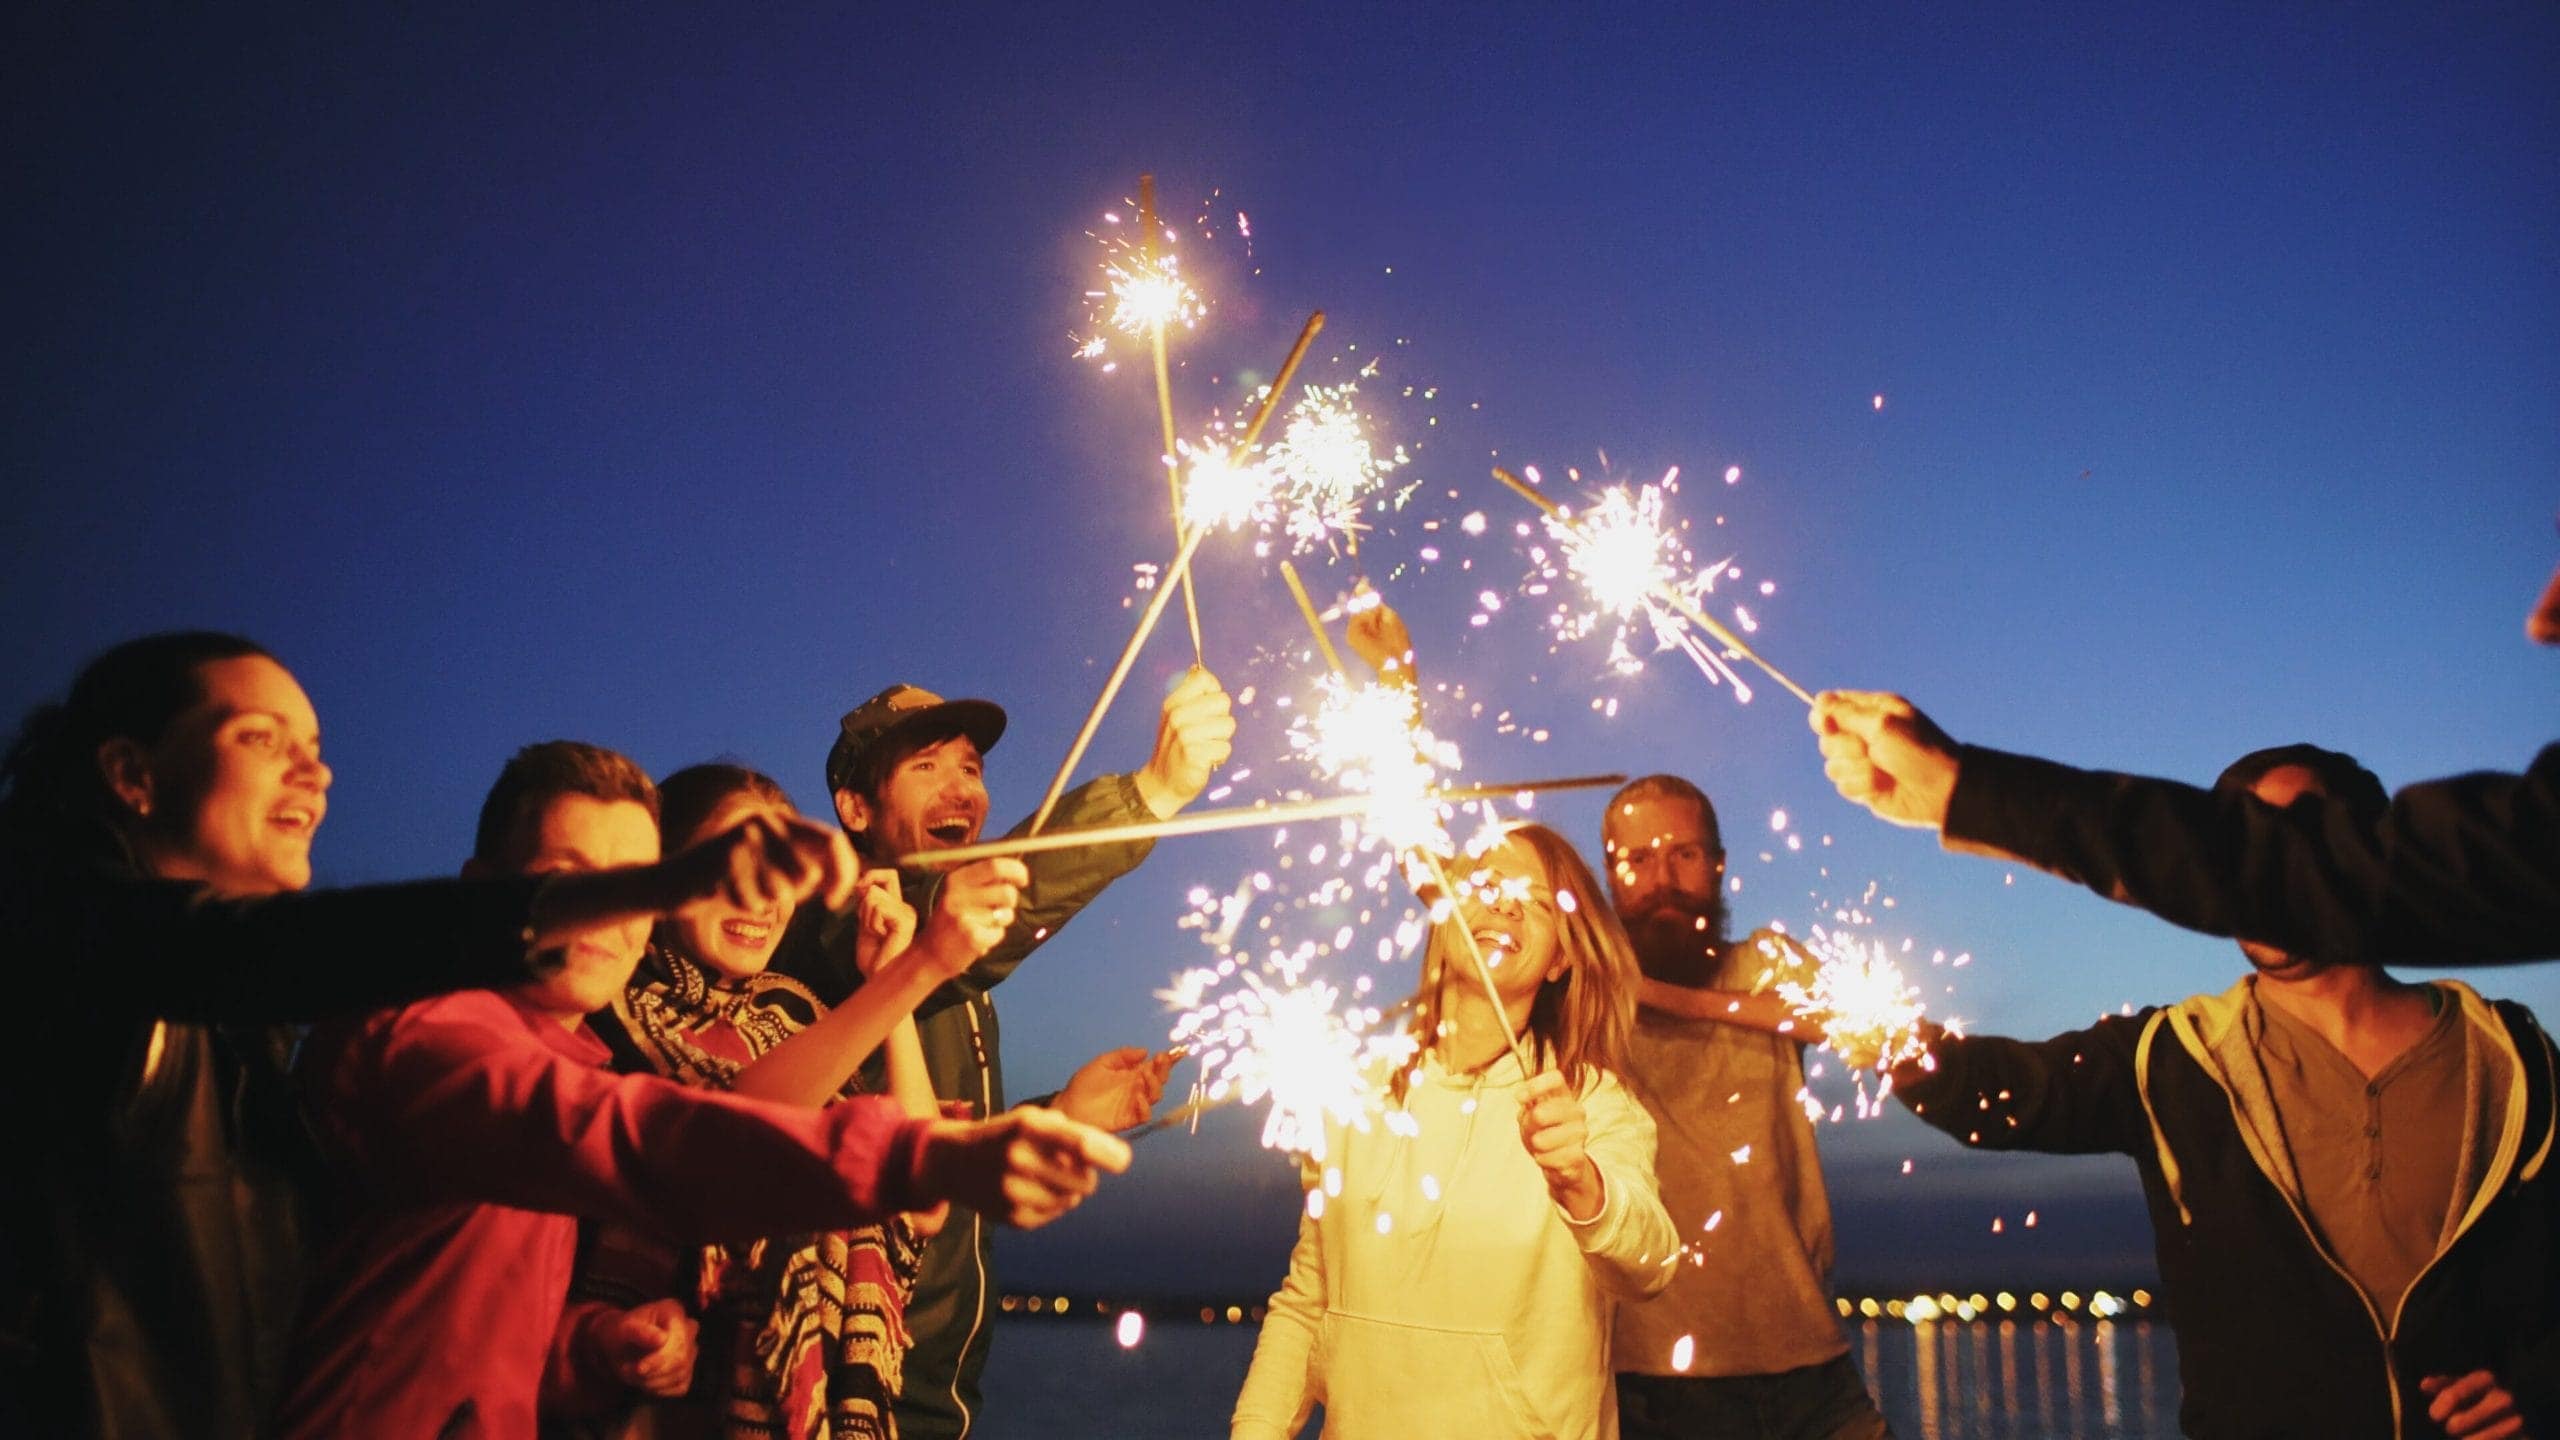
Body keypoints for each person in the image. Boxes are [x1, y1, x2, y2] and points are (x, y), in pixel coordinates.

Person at [0, 633, 820, 1440]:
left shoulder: (226, 1039)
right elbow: (262, 949)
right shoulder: (76, 942)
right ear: (131, 774)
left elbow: (385, 1327)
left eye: (317, 747)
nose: (315, 772)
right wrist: (905, 1152)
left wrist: (593, 1349)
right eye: (259, 738)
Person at [276, 742, 1128, 1440]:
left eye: (633, 882)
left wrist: (597, 1348)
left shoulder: (578, 1049)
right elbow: (662, 1145)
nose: (611, 915)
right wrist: (920, 1129)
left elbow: (499, 1328)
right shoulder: (432, 1039)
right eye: (579, 881)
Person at [1866, 745, 2559, 1440]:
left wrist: (2541, 1387)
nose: (2264, 863)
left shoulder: (2516, 1056)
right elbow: (1991, 1094)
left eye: (2296, 834)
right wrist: (1873, 1028)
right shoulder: (2170, 1058)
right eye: (2244, 838)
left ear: (2361, 847)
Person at [784, 674, 1231, 1440]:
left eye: (971, 768)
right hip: (850, 1383)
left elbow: (938, 1148)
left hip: (944, 1392)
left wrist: (1057, 1113)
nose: (960, 788)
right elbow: (962, 928)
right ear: (856, 810)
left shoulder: (950, 950)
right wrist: (1150, 792)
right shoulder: (838, 928)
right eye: (925, 767)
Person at [1808, 557, 2560, 964]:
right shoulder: (2185, 1054)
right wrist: (1961, 790)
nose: (2543, 613)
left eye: (2300, 831)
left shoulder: (2507, 1059)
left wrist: (1967, 789)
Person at [569, 763, 1016, 1438]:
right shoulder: (612, 1012)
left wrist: (893, 979)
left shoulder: (787, 1017)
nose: (762, 898)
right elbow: (733, 1128)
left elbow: (922, 1201)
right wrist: (927, 963)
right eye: (733, 864)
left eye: (781, 872)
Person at [1231, 824, 1678, 1440]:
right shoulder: (1354, 1094)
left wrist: (1584, 1185)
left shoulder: (1589, 1103)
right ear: (1445, 910)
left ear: (1561, 960)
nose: (1505, 904)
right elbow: (1309, 1300)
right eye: (1488, 884)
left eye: (1539, 903)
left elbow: (1652, 1264)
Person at [1597, 776, 1889, 1440]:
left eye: (1684, 854)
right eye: (1637, 859)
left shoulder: (1766, 962)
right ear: (1608, 876)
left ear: (1720, 863)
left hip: (1809, 1360)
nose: (1662, 877)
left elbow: (1865, 1030)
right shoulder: (1587, 997)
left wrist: (1664, 997)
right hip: (1651, 1383)